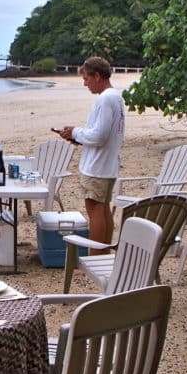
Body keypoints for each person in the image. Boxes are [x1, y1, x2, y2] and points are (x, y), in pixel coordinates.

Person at [57, 57, 125, 254]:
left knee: (95, 212)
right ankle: (103, 253)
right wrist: (79, 138)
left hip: (97, 166)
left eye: (86, 78)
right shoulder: (116, 97)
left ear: (97, 76)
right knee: (103, 210)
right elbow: (104, 134)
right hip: (107, 163)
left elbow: (100, 135)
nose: (84, 83)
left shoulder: (105, 99)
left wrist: (75, 132)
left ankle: (95, 257)